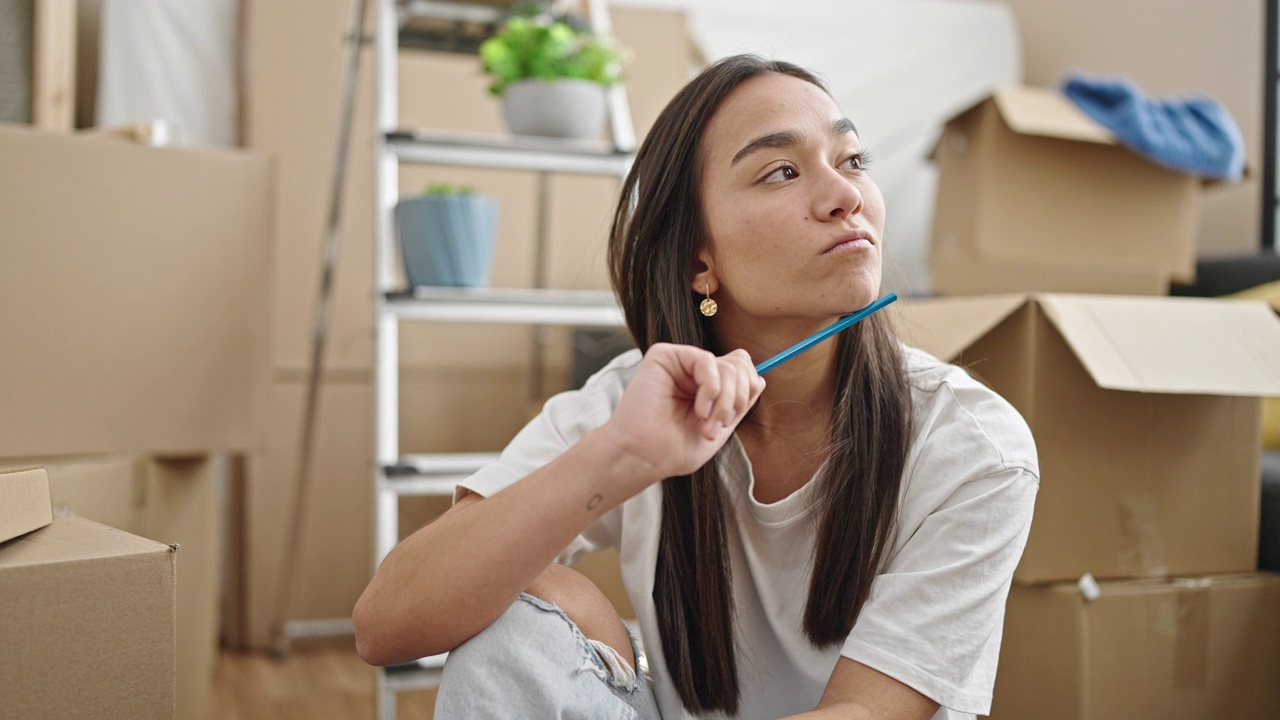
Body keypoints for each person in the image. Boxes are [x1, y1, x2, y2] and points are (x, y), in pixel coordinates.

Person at [353, 54, 1038, 720]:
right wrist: (620, 457)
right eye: (781, 171)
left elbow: (868, 710)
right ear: (696, 260)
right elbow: (385, 626)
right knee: (516, 595)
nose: (845, 196)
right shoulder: (636, 402)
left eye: (852, 160)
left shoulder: (973, 446)